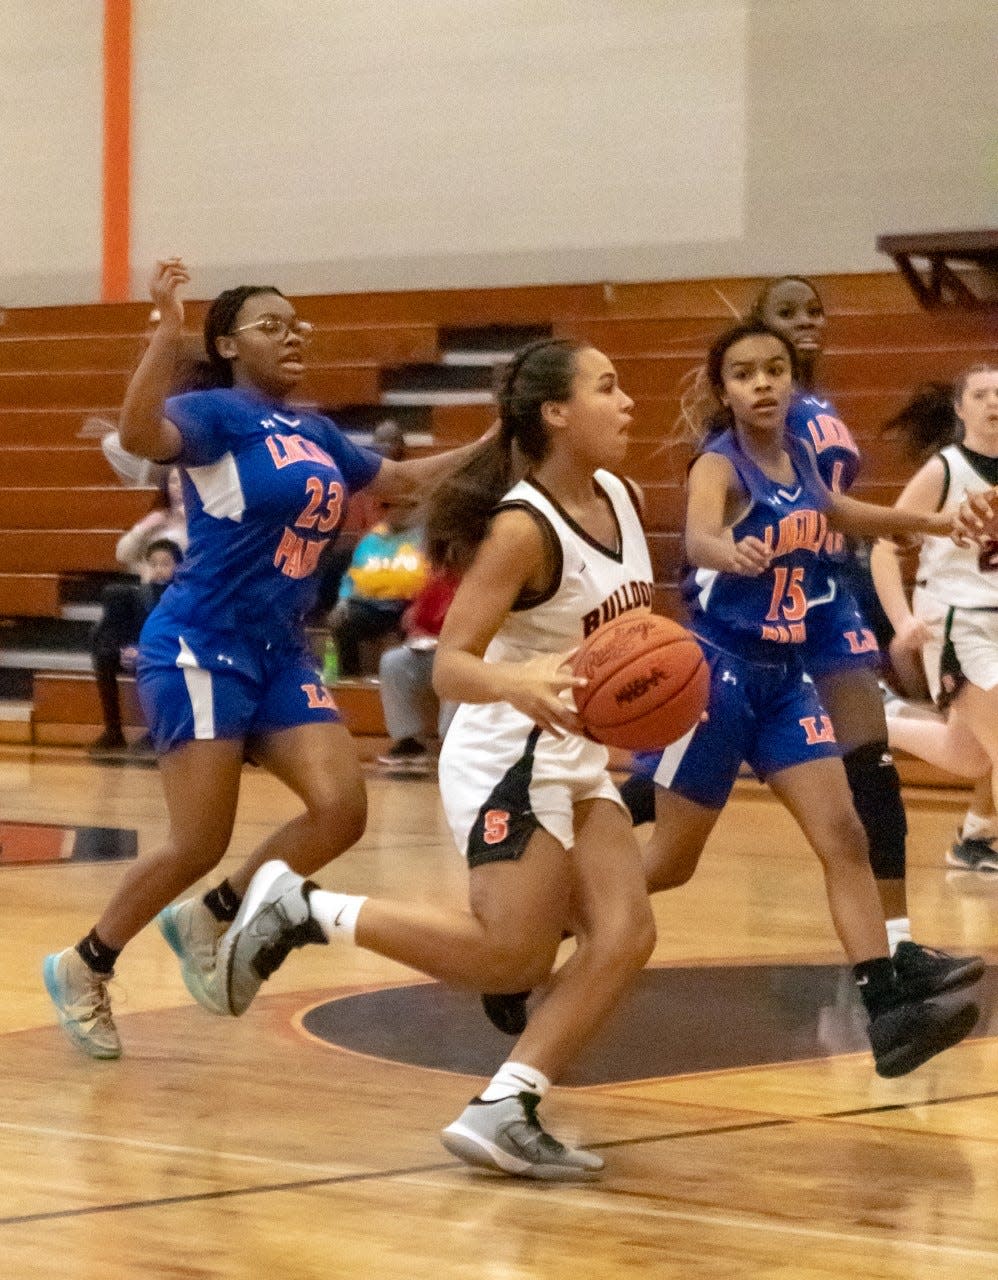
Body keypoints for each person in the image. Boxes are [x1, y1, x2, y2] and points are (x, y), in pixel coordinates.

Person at [207, 338, 658, 1178]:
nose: (627, 401)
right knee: (512, 956)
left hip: (574, 752)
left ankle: (504, 1107)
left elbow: (628, 638)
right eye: (608, 386)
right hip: (506, 753)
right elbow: (449, 661)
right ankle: (303, 909)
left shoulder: (624, 500)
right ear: (557, 413)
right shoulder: (523, 528)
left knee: (627, 931)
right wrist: (516, 678)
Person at [43, 257, 498, 1062]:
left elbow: (396, 480)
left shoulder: (316, 430)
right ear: (226, 344)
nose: (294, 337)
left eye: (298, 325)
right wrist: (165, 331)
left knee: (340, 810)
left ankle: (213, 912)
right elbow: (141, 434)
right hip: (202, 644)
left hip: (280, 649)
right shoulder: (214, 414)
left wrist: (498, 443)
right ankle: (85, 964)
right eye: (272, 326)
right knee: (197, 839)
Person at [636, 320, 981, 1078]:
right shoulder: (718, 465)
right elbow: (696, 542)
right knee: (669, 863)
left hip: (786, 680)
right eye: (744, 373)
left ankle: (890, 1016)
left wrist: (931, 521)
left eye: (774, 371)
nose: (762, 384)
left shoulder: (794, 452)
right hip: (720, 677)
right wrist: (733, 550)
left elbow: (839, 515)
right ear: (722, 389)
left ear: (793, 380)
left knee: (844, 835)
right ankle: (547, 932)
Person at [870, 365, 998, 871]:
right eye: (981, 394)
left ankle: (880, 720)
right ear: (960, 408)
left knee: (970, 757)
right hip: (956, 620)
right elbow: (884, 547)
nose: (993, 402)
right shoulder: (945, 470)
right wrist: (902, 621)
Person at [88, 538, 183, 753]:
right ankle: (113, 731)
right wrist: (126, 649)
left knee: (153, 662)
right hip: (143, 652)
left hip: (172, 655)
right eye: (153, 564)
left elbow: (175, 635)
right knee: (104, 656)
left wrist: (143, 652)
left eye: (165, 564)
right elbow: (127, 628)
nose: (158, 569)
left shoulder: (182, 596)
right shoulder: (142, 594)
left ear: (179, 567)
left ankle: (158, 731)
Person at [328, 496, 428, 676]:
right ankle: (351, 679)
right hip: (371, 606)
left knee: (416, 624)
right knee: (343, 624)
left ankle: (409, 680)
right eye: (388, 507)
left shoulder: (425, 538)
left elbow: (433, 577)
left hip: (409, 605)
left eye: (405, 507)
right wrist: (343, 600)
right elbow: (351, 576)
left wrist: (419, 605)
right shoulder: (371, 540)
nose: (396, 512)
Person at [375, 565, 460, 772]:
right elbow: (414, 619)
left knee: (455, 666)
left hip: (466, 653)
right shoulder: (436, 578)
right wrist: (416, 631)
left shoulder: (485, 576)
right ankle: (409, 743)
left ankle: (452, 744)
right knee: (394, 661)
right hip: (430, 649)